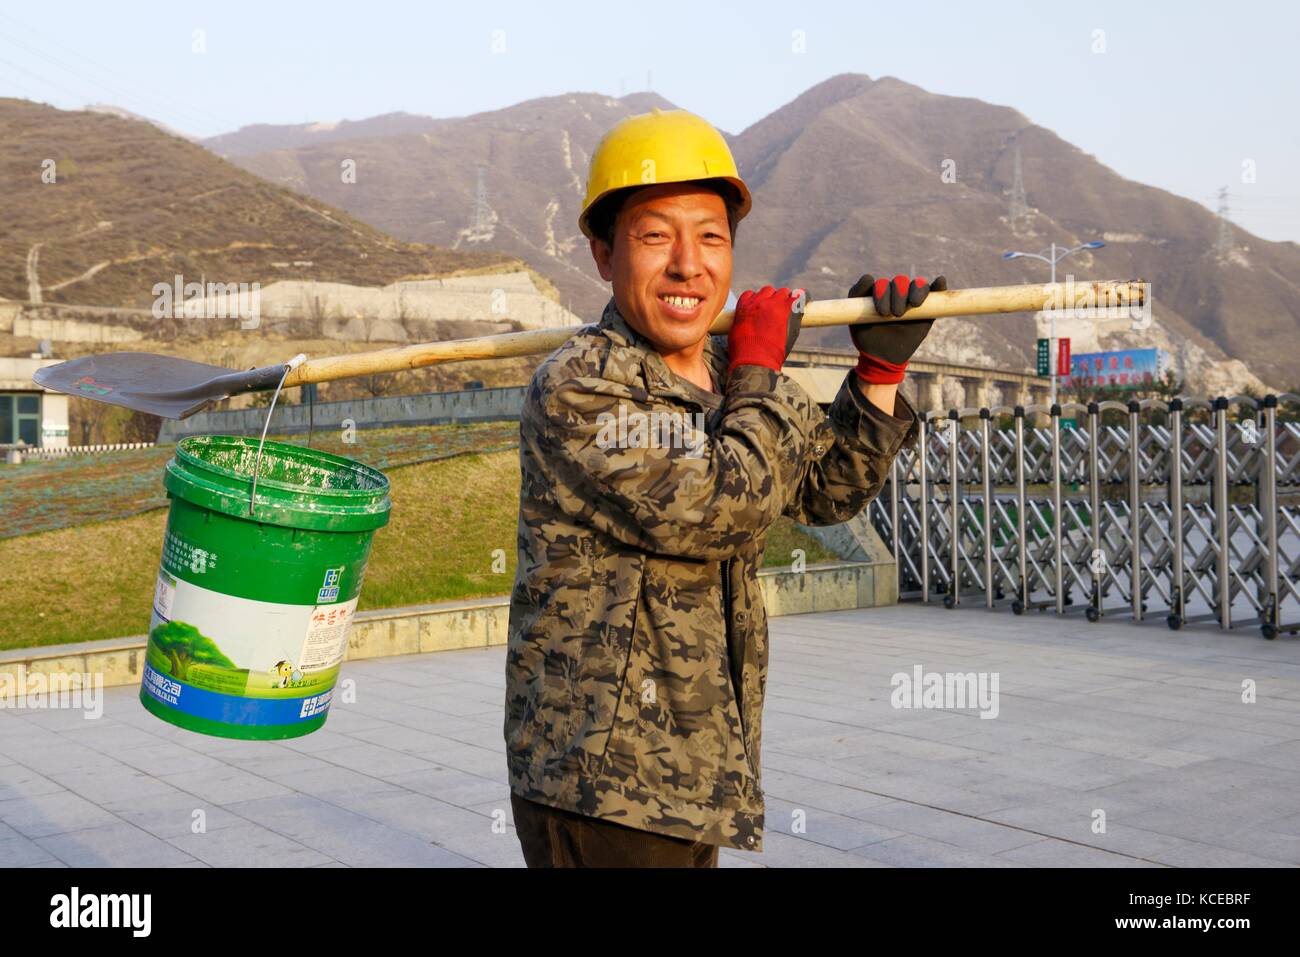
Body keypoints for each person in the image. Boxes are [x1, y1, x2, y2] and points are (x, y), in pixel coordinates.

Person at [504, 108, 943, 867]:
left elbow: (820, 488)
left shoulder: (721, 375)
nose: (688, 265)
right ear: (603, 254)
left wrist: (876, 377)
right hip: (603, 783)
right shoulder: (582, 387)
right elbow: (722, 507)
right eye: (655, 236)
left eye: (710, 236)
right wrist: (760, 371)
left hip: (698, 770)